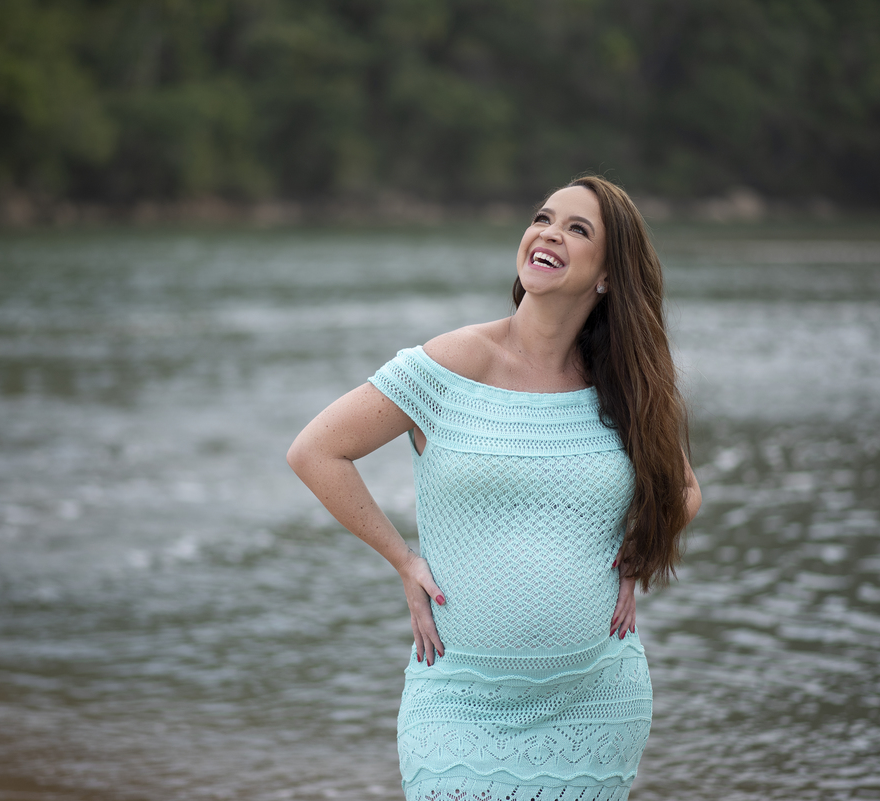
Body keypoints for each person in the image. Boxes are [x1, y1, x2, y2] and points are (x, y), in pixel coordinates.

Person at [287, 175, 701, 801]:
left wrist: (640, 551)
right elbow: (317, 451)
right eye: (544, 217)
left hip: (593, 701)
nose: (549, 233)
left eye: (577, 229)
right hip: (456, 699)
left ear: (608, 276)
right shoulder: (453, 363)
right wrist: (403, 560)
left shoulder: (626, 386)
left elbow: (684, 491)